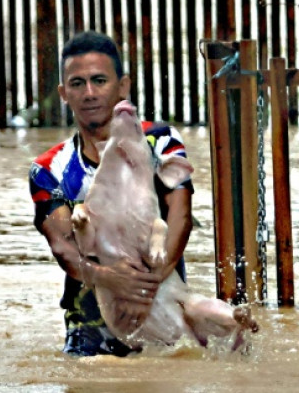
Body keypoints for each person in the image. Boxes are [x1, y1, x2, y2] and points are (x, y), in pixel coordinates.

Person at [28, 31, 195, 356]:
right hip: (88, 325)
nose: (89, 93)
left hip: (158, 306)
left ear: (123, 86)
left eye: (99, 80)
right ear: (64, 93)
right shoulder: (49, 169)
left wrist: (146, 288)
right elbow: (64, 247)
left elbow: (181, 216)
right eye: (77, 84)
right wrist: (107, 278)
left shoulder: (159, 141)